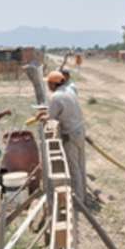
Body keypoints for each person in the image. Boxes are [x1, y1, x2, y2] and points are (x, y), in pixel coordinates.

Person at [38, 71, 86, 202]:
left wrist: (42, 117)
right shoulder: (69, 90)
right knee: (81, 164)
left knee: (73, 167)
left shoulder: (56, 96)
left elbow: (51, 117)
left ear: (54, 83)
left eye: (48, 83)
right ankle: (83, 194)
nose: (48, 86)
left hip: (70, 133)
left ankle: (78, 200)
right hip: (80, 130)